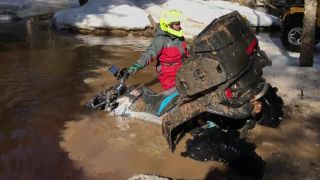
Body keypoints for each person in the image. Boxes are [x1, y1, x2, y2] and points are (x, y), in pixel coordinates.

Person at [119, 9, 189, 90]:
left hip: (181, 68)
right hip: (167, 73)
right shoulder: (160, 40)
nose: (179, 26)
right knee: (174, 93)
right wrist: (134, 67)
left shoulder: (180, 37)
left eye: (179, 23)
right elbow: (149, 54)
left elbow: (185, 54)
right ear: (167, 25)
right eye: (176, 24)